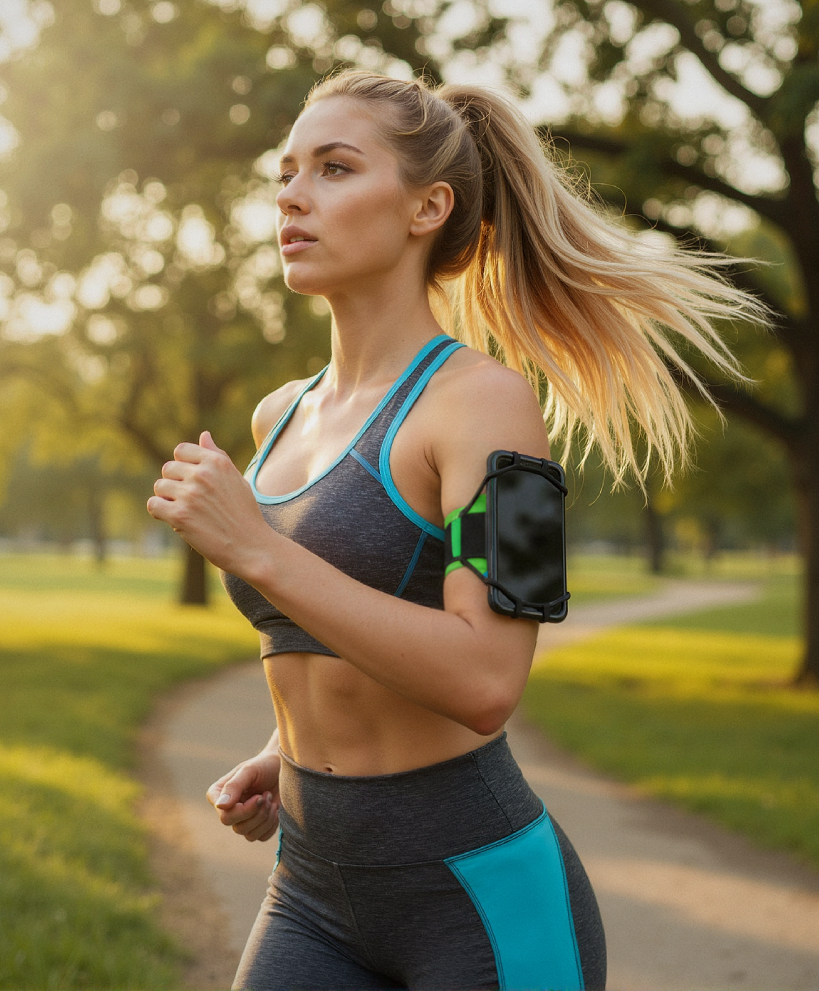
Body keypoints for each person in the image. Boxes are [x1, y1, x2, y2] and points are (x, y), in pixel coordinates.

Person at [147, 70, 765, 991]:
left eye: (335, 167)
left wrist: (256, 548)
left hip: (478, 905)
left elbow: (486, 680)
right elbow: (346, 631)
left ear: (427, 206)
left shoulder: (492, 407)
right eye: (286, 172)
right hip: (311, 892)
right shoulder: (280, 416)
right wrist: (289, 754)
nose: (291, 193)